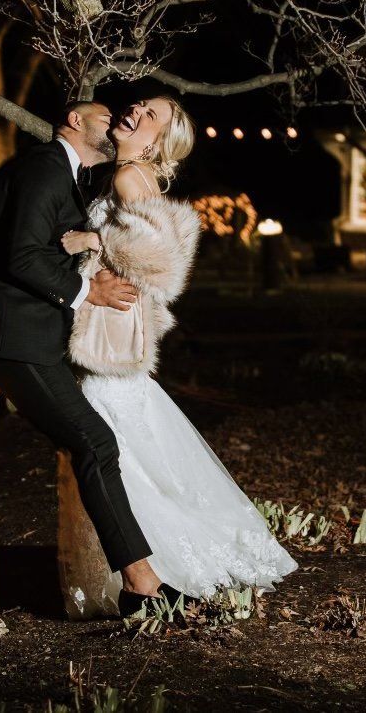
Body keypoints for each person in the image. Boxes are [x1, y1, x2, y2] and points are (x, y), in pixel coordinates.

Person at [0, 101, 185, 613]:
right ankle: (141, 583)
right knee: (95, 441)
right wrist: (85, 293)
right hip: (12, 337)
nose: (118, 117)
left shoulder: (70, 176)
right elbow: (22, 255)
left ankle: (140, 580)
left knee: (93, 443)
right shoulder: (44, 167)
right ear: (75, 121)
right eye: (105, 116)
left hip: (31, 335)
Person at [63, 96, 298, 615]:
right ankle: (142, 564)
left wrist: (87, 239)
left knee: (112, 449)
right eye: (142, 103)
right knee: (130, 450)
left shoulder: (127, 178)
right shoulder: (127, 176)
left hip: (110, 343)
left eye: (151, 116)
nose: (136, 111)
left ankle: (154, 568)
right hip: (115, 337)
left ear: (157, 142)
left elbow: (156, 264)